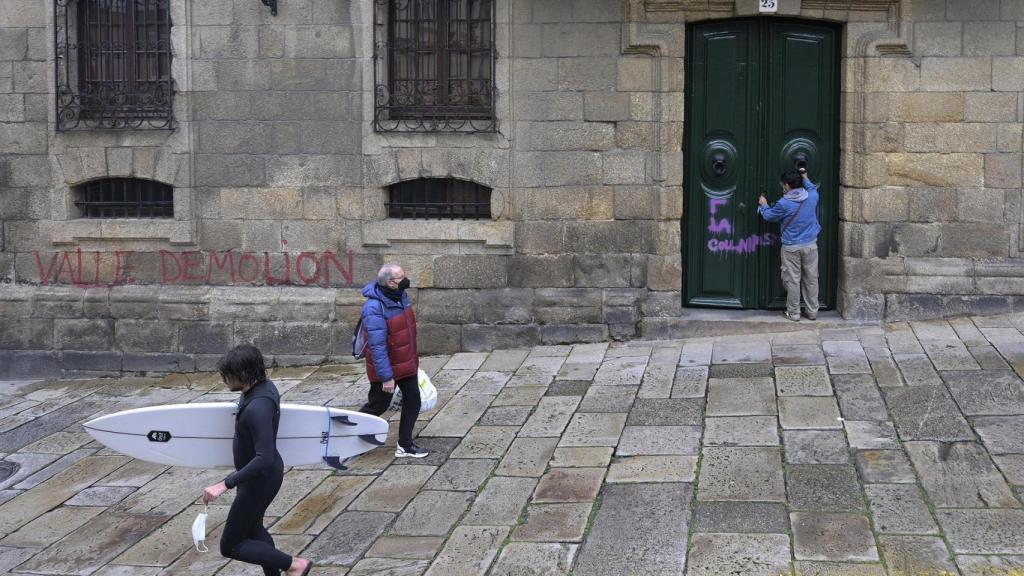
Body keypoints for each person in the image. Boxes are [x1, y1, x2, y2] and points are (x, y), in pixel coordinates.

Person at [201, 344, 312, 576]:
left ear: (243, 374)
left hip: (259, 479)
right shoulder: (262, 388)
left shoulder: (258, 408)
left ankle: (295, 565)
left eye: (227, 375)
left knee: (231, 545)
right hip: (258, 477)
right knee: (254, 531)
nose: (224, 379)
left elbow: (264, 457)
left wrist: (224, 484)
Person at [358, 262, 429, 458]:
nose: (405, 280)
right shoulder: (374, 308)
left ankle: (405, 445)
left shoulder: (400, 297)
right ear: (390, 282)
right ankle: (350, 431)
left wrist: (413, 361)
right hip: (387, 368)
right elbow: (377, 346)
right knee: (378, 405)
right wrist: (386, 377)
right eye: (401, 278)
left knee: (413, 401)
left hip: (405, 364)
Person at [758, 166, 821, 322]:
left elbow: (769, 216)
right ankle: (812, 311)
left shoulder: (784, 203)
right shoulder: (812, 196)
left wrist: (763, 204)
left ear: (786, 185)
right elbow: (811, 187)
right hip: (810, 245)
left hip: (791, 247)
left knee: (792, 280)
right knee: (811, 279)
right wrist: (805, 176)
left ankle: (794, 313)